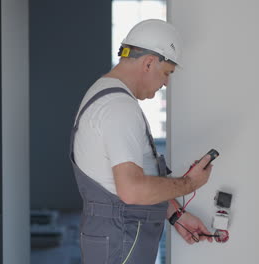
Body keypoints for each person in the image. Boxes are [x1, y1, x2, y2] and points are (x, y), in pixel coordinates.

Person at [69, 19, 214, 264]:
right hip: (121, 239)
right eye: (166, 73)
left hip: (118, 236)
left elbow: (130, 180)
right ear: (149, 62)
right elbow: (132, 189)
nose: (166, 83)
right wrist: (190, 183)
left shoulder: (108, 97)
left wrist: (176, 215)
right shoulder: (118, 108)